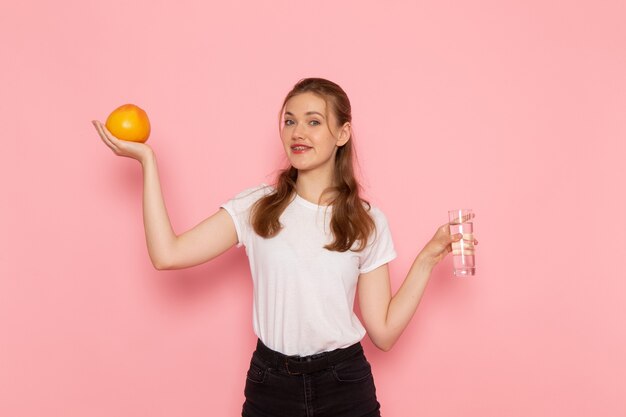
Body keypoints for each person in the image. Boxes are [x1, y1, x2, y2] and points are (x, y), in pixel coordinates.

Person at [92, 77, 478, 417]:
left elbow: (385, 333)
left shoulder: (368, 221)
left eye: (313, 122)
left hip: (344, 384)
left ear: (342, 134)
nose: (298, 132)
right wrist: (148, 162)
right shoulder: (257, 206)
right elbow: (167, 254)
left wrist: (427, 259)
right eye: (290, 121)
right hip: (270, 384)